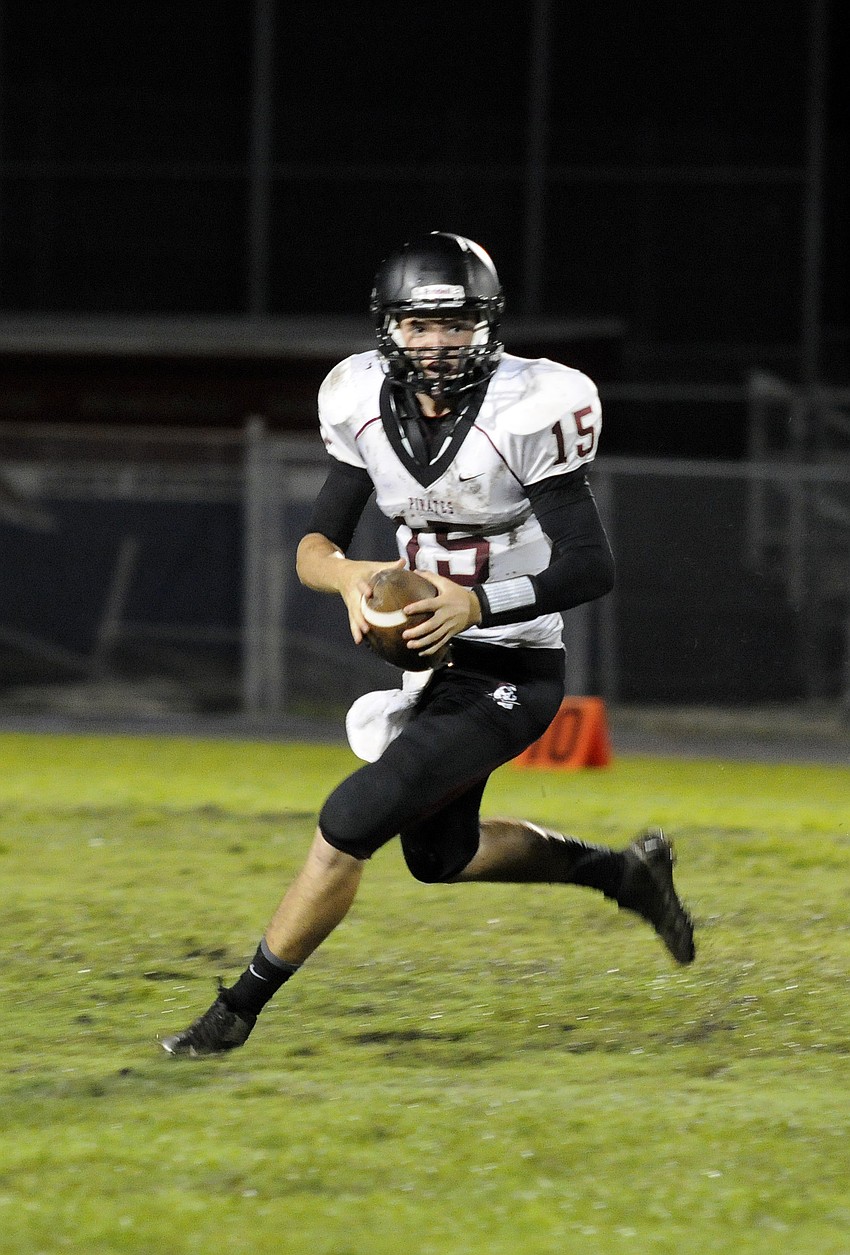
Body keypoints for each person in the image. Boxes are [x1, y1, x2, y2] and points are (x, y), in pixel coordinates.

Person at [161, 231, 694, 1057]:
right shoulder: (360, 399)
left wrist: (474, 601)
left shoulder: (532, 407)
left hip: (513, 664)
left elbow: (591, 566)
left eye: (456, 324)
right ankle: (624, 875)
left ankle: (235, 1013)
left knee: (350, 817)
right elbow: (313, 548)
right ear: (390, 329)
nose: (437, 343)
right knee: (441, 857)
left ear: (488, 327)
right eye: (419, 324)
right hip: (433, 669)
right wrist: (347, 579)